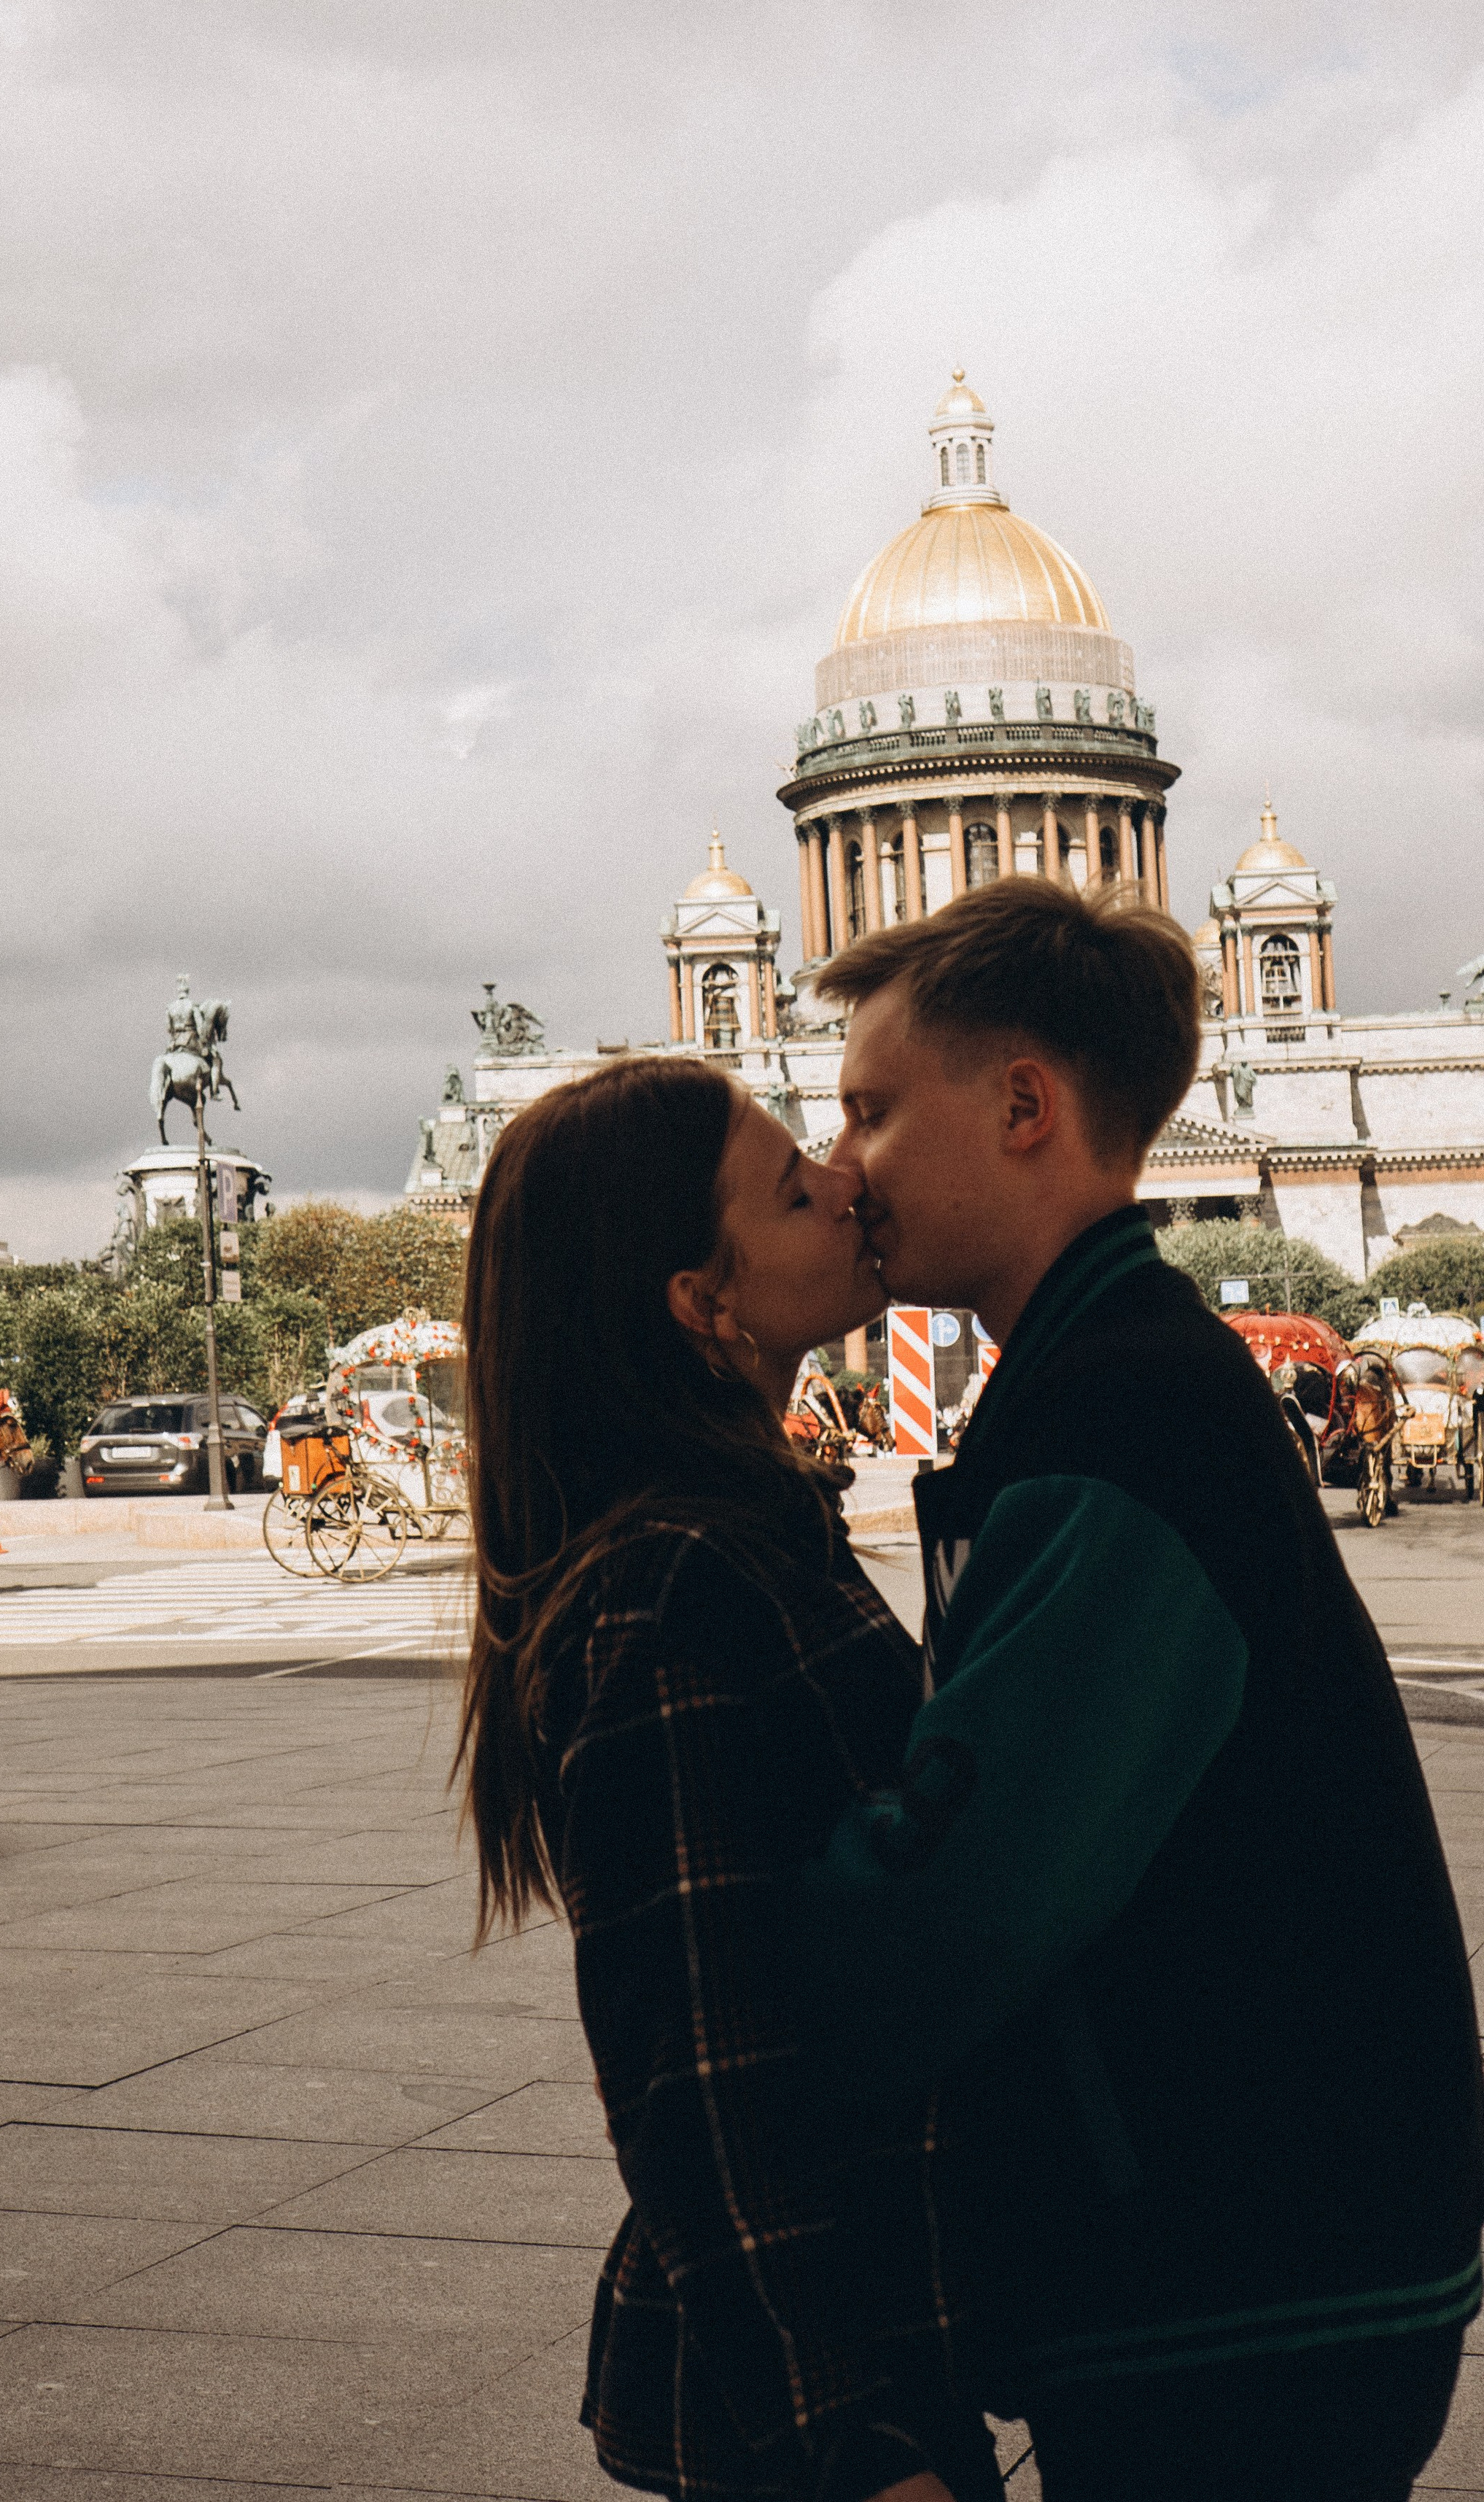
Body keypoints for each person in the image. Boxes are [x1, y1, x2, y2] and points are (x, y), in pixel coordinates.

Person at [800, 876, 1482, 2502]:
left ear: (1024, 1103)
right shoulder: (1111, 1376)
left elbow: (968, 1897)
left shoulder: (1117, 1417)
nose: (840, 1171)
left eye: (873, 1112)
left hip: (1244, 2272)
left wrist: (740, 1944)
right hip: (1267, 2239)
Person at [454, 1055, 1002, 2502]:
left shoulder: (735, 1527)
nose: (848, 1180)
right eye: (790, 1185)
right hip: (823, 2389)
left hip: (856, 2338)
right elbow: (693, 2068)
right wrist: (855, 2443)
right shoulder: (676, 1577)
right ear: (706, 1304)